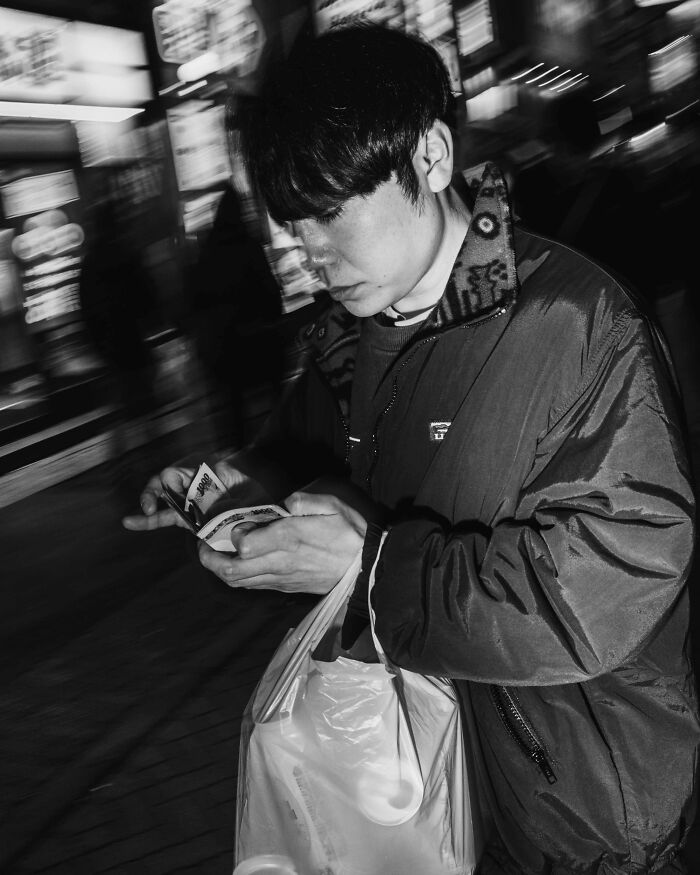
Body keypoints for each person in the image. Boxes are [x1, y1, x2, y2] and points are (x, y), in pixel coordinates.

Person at [123, 24, 700, 875]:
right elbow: (300, 447)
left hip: (579, 815)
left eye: (329, 210)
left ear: (429, 157)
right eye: (291, 224)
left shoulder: (579, 324)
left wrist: (372, 571)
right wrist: (229, 487)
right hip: (429, 790)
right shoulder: (345, 338)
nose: (309, 251)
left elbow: (609, 582)